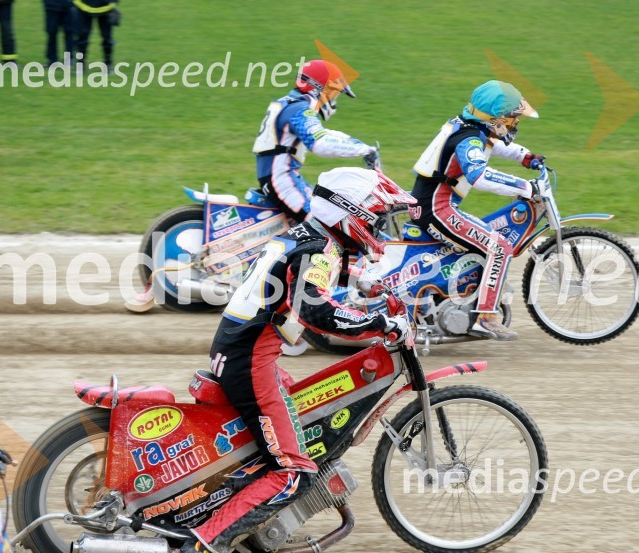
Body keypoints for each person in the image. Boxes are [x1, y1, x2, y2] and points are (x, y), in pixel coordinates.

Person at [181, 168, 415, 553]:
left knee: (306, 414)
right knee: (295, 472)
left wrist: (362, 281)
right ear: (351, 213)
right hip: (250, 361)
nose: (381, 226)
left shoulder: (308, 237)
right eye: (376, 216)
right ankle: (205, 543)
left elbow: (307, 274)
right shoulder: (319, 248)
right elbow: (316, 311)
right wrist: (379, 322)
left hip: (242, 351)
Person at [409, 80, 544, 341]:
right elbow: (479, 175)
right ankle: (485, 317)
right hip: (437, 211)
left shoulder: (473, 129)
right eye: (511, 119)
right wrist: (524, 186)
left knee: (487, 236)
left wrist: (526, 157)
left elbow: (497, 147)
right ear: (494, 119)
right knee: (499, 246)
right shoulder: (469, 138)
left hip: (434, 206)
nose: (515, 124)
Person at [253, 59, 378, 223]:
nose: (334, 100)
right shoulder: (299, 109)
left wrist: (362, 146)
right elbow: (320, 143)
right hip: (281, 179)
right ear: (319, 88)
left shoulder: (292, 103)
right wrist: (364, 151)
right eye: (334, 93)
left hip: (281, 176)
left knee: (331, 214)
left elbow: (323, 134)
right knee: (324, 224)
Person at [72, 0, 118, 70]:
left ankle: (108, 64)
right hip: (83, 5)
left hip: (105, 7)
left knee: (107, 38)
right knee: (82, 37)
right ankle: (80, 64)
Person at [43, 0, 73, 66]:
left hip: (68, 6)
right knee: (51, 32)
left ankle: (69, 59)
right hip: (51, 6)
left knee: (69, 32)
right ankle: (52, 59)